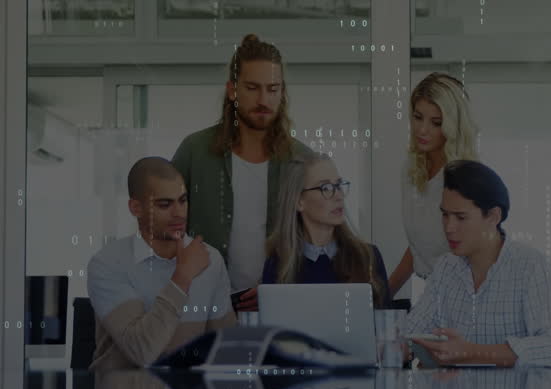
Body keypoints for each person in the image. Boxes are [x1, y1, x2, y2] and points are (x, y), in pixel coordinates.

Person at [171, 33, 312, 314]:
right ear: (232, 90)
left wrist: (278, 286)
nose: (264, 100)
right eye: (252, 88)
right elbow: (164, 224)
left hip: (280, 309)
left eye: (273, 89)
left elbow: (320, 241)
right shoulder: (194, 151)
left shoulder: (303, 160)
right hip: (205, 306)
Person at [403, 160, 551, 368]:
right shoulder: (445, 268)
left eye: (460, 217)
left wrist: (472, 353)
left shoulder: (532, 267)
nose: (449, 227)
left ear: (493, 216)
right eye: (445, 215)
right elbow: (410, 333)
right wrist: (400, 347)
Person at [87, 157, 236, 370]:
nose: (179, 213)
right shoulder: (108, 264)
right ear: (136, 208)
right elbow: (142, 352)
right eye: (164, 204)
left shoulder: (209, 259)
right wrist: (182, 278)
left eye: (183, 201)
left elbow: (228, 349)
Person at [388, 73, 479, 301]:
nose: (423, 130)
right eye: (418, 117)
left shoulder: (465, 177)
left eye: (436, 123)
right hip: (435, 293)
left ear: (452, 125)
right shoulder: (410, 171)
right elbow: (419, 246)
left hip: (468, 295)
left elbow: (477, 255)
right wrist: (384, 294)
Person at [261, 152, 391, 308]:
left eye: (338, 185)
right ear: (298, 201)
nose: (338, 196)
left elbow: (385, 326)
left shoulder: (368, 257)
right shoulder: (278, 264)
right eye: (326, 187)